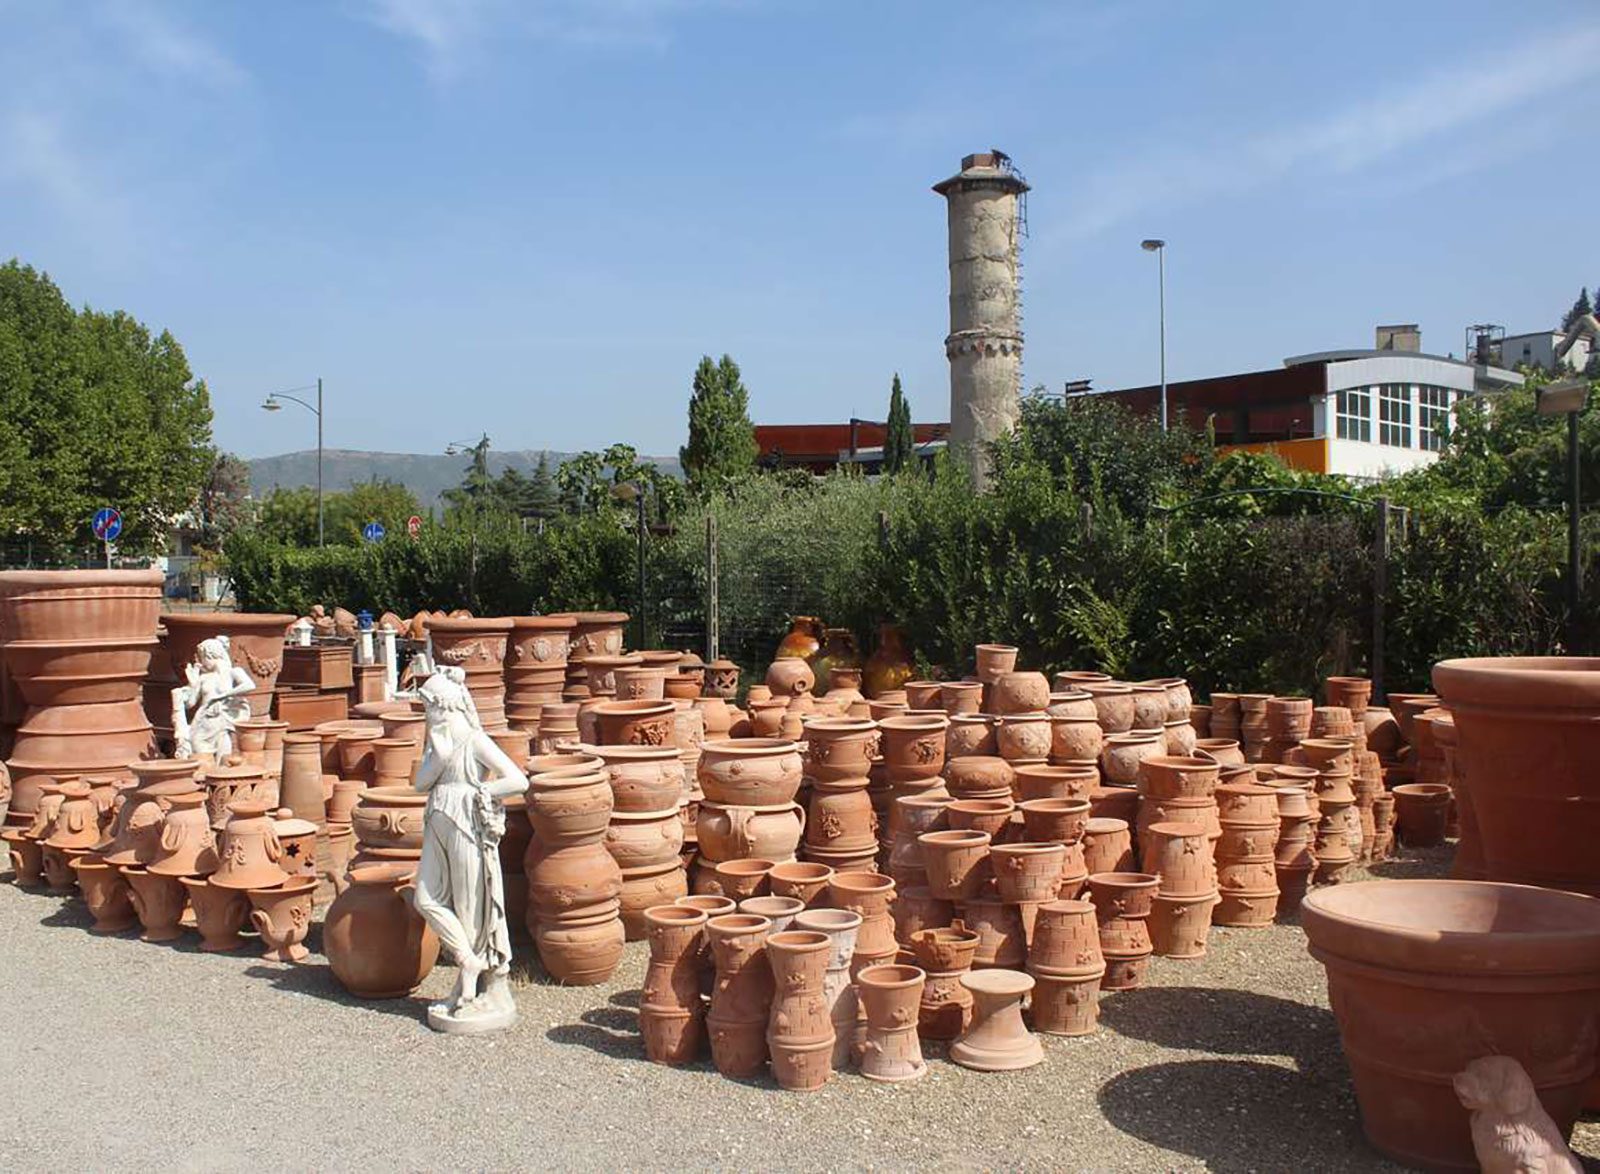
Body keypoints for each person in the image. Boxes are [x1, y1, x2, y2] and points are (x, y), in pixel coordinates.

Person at [411, 666, 527, 1034]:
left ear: (444, 706)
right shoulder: (438, 742)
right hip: (437, 817)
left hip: (465, 822)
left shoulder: (474, 739)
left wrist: (484, 792)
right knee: (425, 898)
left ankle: (482, 984)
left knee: (471, 904)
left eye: (429, 706)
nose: (426, 713)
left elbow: (517, 779)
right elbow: (419, 785)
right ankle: (467, 961)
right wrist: (438, 756)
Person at [171, 636, 255, 761]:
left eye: (201, 658)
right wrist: (191, 684)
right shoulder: (204, 678)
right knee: (198, 749)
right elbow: (190, 704)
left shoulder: (233, 672)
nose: (201, 663)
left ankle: (220, 777)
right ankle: (203, 776)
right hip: (202, 722)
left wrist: (225, 695)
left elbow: (249, 685)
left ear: (208, 655)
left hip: (222, 721)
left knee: (223, 757)